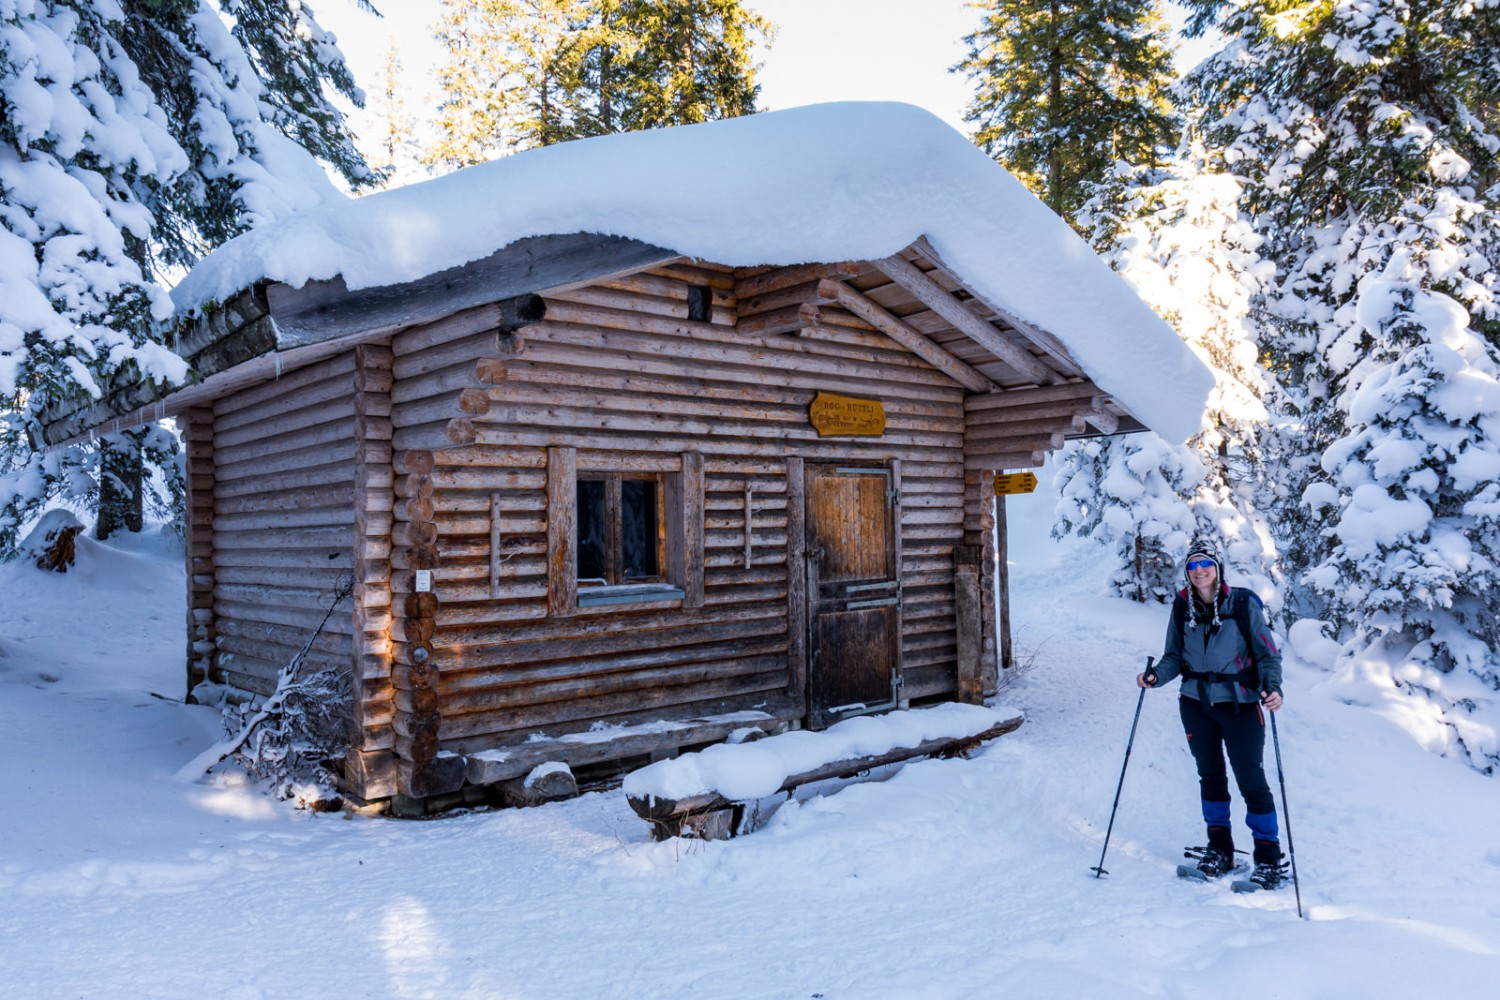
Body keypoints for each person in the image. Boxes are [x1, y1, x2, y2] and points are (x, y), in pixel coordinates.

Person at [1136, 539, 1288, 889]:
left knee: (1251, 779)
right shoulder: (1182, 605)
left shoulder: (1242, 602)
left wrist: (1273, 687)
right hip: (1195, 703)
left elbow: (1267, 654)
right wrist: (1156, 676)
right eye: (1192, 565)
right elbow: (1174, 655)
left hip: (1241, 704)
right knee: (1211, 776)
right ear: (1187, 573)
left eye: (1205, 563)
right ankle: (1220, 849)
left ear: (1217, 568)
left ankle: (1268, 857)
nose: (1199, 570)